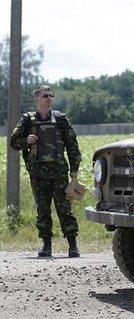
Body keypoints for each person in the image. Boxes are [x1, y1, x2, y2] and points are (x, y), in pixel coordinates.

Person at [10, 85, 82, 258]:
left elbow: (72, 145)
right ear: (37, 98)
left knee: (64, 209)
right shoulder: (28, 120)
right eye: (45, 96)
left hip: (59, 173)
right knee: (43, 210)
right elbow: (14, 142)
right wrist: (26, 141)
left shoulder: (60, 119)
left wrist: (74, 171)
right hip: (38, 174)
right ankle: (46, 246)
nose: (49, 98)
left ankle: (73, 246)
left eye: (51, 95)